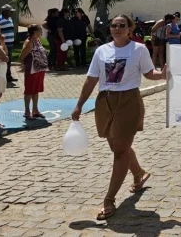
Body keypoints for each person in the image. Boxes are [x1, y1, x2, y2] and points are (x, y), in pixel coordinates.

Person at [71, 15, 167, 220]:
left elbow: (149, 74)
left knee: (120, 152)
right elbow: (91, 79)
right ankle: (139, 173)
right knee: (116, 147)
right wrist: (79, 104)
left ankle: (109, 199)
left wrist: (164, 74)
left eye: (122, 25)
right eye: (114, 25)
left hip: (128, 102)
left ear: (129, 29)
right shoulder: (101, 50)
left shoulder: (139, 49)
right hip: (105, 102)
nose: (117, 28)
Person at [20, 24, 48, 119]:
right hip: (31, 70)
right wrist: (23, 65)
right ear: (35, 32)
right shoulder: (29, 42)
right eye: (40, 30)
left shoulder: (38, 41)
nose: (41, 32)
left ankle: (35, 110)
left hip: (39, 70)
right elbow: (22, 56)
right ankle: (27, 111)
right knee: (29, 91)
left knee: (36, 90)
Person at [0, 4, 18, 86]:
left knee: (9, 60)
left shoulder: (10, 19)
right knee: (4, 60)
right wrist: (0, 40)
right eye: (10, 12)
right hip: (4, 44)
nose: (11, 13)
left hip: (10, 43)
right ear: (5, 12)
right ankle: (3, 76)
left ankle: (8, 75)